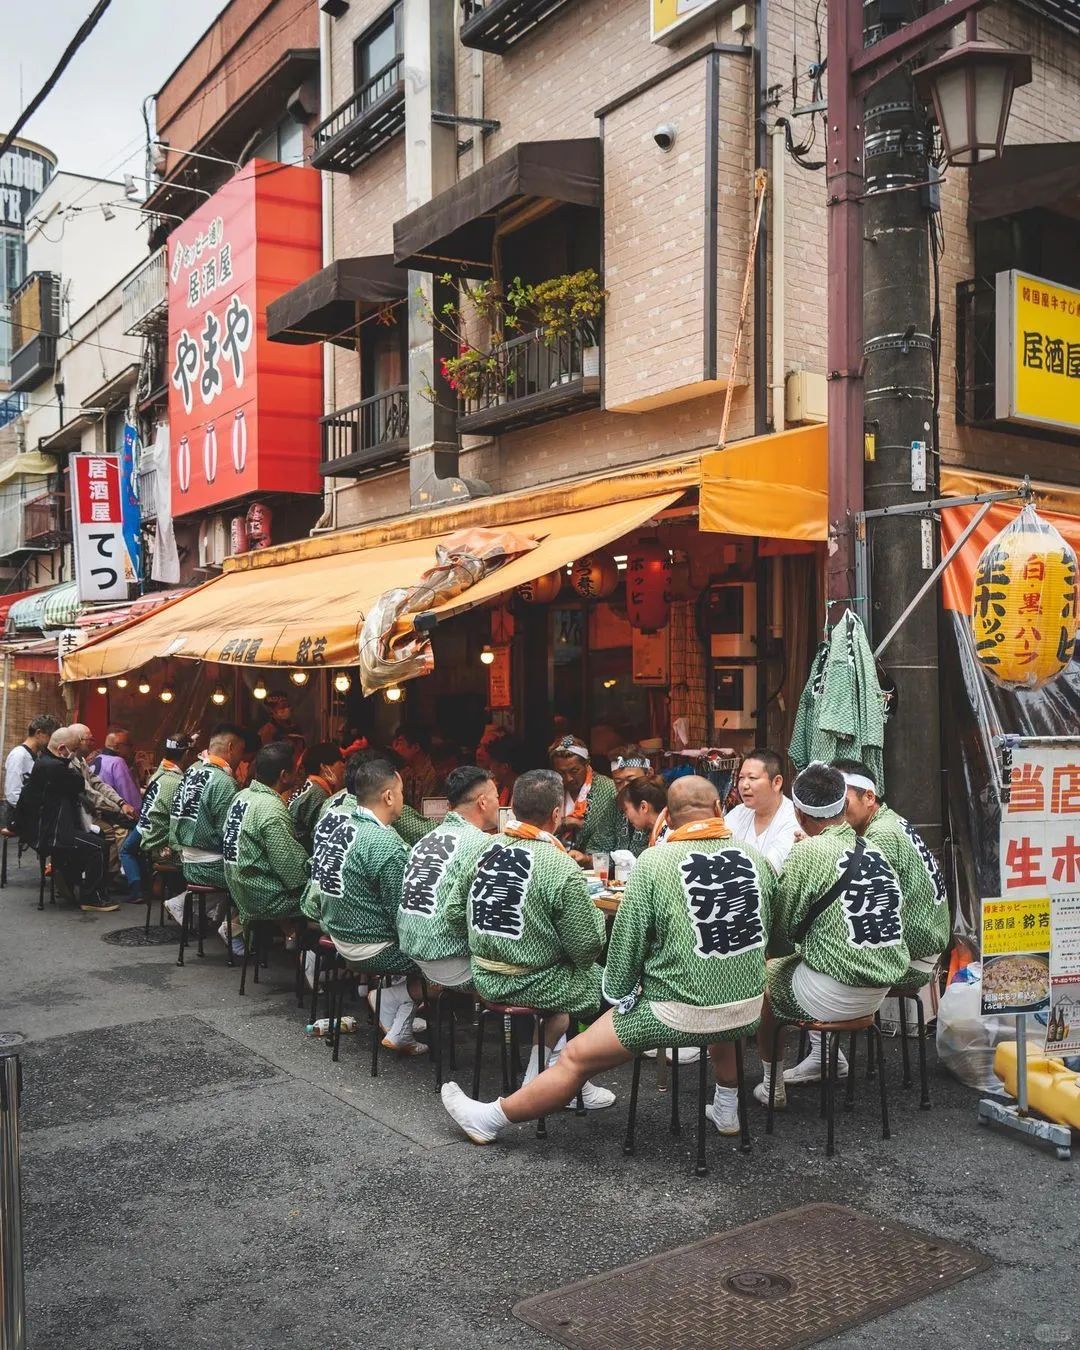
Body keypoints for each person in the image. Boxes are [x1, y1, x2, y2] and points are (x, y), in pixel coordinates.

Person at [442, 776, 774, 1144]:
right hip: (747, 1010)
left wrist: (621, 995)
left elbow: (622, 958)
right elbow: (776, 937)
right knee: (716, 991)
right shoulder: (755, 859)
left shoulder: (655, 862)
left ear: (670, 818)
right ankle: (727, 1109)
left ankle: (490, 1118)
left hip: (673, 1012)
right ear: (717, 810)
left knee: (575, 1058)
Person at [754, 762, 909, 1110]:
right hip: (878, 993)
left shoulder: (808, 851)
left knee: (766, 977)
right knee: (803, 962)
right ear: (842, 804)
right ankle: (825, 1058)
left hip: (837, 993)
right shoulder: (873, 849)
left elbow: (781, 928)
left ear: (798, 812)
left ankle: (771, 1085)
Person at [464, 768, 614, 1108]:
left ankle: (540, 1077)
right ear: (557, 814)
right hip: (531, 980)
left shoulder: (484, 849)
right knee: (615, 989)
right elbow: (588, 946)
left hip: (483, 974)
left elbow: (459, 908)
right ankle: (573, 1079)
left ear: (512, 806)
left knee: (562, 1005)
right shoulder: (560, 866)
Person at [314, 756, 427, 1055]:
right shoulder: (384, 844)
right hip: (370, 946)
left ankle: (395, 1010)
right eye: (401, 792)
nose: (403, 799)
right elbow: (402, 918)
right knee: (448, 964)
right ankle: (393, 1000)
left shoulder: (342, 828)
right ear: (389, 795)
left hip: (339, 935)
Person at [397, 765, 500, 990]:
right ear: (482, 802)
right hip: (450, 960)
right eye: (497, 797)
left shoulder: (427, 839)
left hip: (414, 953)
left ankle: (402, 998)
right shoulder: (483, 845)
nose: (499, 804)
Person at [14, 727, 117, 912]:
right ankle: (91, 897)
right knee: (98, 846)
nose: (75, 754)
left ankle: (72, 880)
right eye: (74, 750)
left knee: (98, 836)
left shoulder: (45, 761)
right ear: (62, 748)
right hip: (50, 832)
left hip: (54, 826)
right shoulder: (54, 767)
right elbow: (78, 783)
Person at [167, 724, 246, 929]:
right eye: (241, 751)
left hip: (185, 857)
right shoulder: (224, 782)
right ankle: (233, 930)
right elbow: (228, 834)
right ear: (230, 747)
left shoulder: (193, 769)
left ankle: (217, 916)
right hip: (209, 865)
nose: (242, 758)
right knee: (253, 875)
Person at [223, 742, 310, 924]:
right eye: (296, 770)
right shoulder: (271, 807)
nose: (300, 774)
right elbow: (291, 870)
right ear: (284, 775)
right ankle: (305, 949)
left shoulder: (242, 796)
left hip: (239, 891)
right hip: (265, 898)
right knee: (324, 899)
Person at [724, 748, 799, 872]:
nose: (744, 785)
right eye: (741, 778)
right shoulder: (738, 812)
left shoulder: (793, 818)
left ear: (777, 782)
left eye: (752, 778)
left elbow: (772, 868)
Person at [548, 734, 617, 862]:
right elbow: (540, 828)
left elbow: (614, 830)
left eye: (574, 771)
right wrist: (564, 823)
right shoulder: (550, 790)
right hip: (557, 861)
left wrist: (580, 824)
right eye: (561, 773)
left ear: (586, 764)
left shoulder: (608, 789)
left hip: (596, 865)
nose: (568, 778)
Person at [136, 734, 198, 866]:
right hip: (162, 850)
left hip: (148, 842)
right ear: (187, 754)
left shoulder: (158, 774)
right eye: (193, 753)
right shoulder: (178, 783)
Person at [289, 741, 346, 851]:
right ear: (325, 767)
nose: (343, 767)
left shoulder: (309, 786)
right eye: (340, 762)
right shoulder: (318, 794)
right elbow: (322, 836)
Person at [3, 714, 61, 821]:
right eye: (50, 737)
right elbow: (12, 793)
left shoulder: (38, 756)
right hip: (20, 816)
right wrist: (36, 812)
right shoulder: (19, 755)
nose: (52, 742)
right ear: (39, 733)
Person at [391, 723, 440, 811]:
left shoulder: (434, 774)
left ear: (416, 747)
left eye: (400, 743)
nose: (397, 749)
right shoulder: (405, 773)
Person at [618, 776, 668, 855]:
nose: (626, 816)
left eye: (626, 809)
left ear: (643, 807)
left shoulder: (669, 831)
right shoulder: (658, 828)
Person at [480, 732, 522, 808]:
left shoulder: (525, 796)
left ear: (504, 768)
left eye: (492, 763)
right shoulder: (505, 789)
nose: (490, 768)